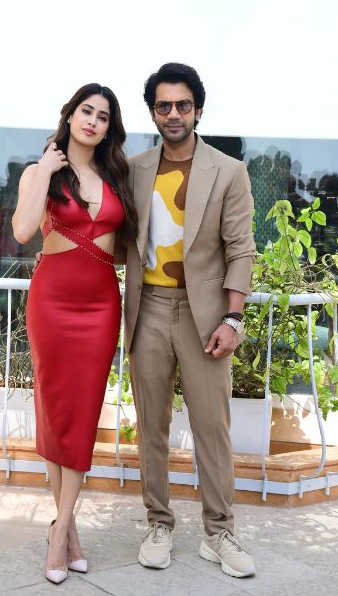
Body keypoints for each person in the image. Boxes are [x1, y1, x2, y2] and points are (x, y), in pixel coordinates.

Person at [122, 62, 257, 578]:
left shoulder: (228, 171)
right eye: (164, 105)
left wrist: (233, 318)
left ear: (198, 110)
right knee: (151, 427)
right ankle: (158, 523)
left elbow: (241, 249)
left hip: (205, 316)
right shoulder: (134, 169)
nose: (173, 113)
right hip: (148, 310)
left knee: (212, 428)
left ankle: (219, 532)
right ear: (153, 112)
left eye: (182, 104)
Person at [12, 83, 138, 584]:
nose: (92, 121)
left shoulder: (116, 177)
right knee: (56, 412)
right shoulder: (38, 172)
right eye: (86, 111)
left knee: (83, 415)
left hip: (101, 305)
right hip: (52, 303)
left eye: (103, 117)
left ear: (109, 129)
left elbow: (124, 246)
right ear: (70, 115)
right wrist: (45, 170)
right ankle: (66, 532)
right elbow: (23, 231)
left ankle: (60, 529)